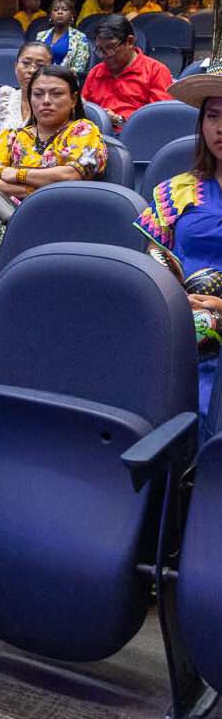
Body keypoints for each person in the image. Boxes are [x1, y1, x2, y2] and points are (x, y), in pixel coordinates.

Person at [135, 54, 222, 436]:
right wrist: (169, 297)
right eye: (214, 116)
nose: (221, 128)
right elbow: (153, 261)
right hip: (180, 323)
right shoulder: (175, 190)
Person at [0, 65, 108, 221]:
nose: (46, 101)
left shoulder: (84, 130)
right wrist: (36, 190)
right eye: (38, 94)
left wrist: (18, 174)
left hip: (66, 218)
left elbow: (71, 175)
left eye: (56, 94)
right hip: (10, 218)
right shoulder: (12, 136)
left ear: (73, 100)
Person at [83, 15, 174, 131]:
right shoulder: (95, 72)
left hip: (135, 137)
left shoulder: (155, 71)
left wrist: (118, 120)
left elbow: (159, 120)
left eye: (110, 48)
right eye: (100, 50)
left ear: (130, 42)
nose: (104, 56)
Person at [0, 42, 53, 140]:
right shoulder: (7, 97)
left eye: (40, 65)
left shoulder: (55, 103)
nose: (31, 70)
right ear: (15, 66)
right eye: (26, 63)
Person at [38, 0, 94, 75]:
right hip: (42, 78)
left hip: (67, 80)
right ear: (51, 15)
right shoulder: (40, 36)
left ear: (71, 15)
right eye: (56, 10)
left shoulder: (80, 37)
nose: (60, 12)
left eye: (64, 9)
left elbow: (79, 67)